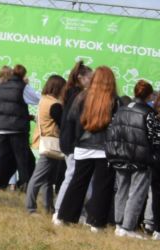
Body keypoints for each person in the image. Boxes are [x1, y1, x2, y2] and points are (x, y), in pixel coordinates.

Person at [55, 66, 119, 230]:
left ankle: (65, 217)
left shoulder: (81, 97)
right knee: (102, 186)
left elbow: (72, 121)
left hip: (82, 147)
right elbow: (116, 127)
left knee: (78, 182)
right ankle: (96, 224)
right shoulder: (113, 100)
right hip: (104, 149)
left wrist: (72, 144)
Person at [107, 78, 158, 238]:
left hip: (121, 155)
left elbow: (113, 132)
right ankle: (128, 227)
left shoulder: (121, 110)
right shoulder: (149, 113)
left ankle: (118, 224)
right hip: (141, 159)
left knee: (121, 190)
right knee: (137, 191)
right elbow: (155, 138)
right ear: (149, 96)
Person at [0, 64, 38, 192]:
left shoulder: (0, 86)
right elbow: (36, 99)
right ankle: (24, 186)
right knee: (21, 159)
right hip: (16, 129)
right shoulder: (23, 87)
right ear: (23, 75)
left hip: (0, 128)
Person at [24, 73, 67, 216]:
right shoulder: (55, 105)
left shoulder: (43, 100)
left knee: (47, 180)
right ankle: (30, 208)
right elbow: (63, 124)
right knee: (38, 178)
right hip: (52, 143)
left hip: (45, 142)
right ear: (58, 88)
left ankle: (49, 208)